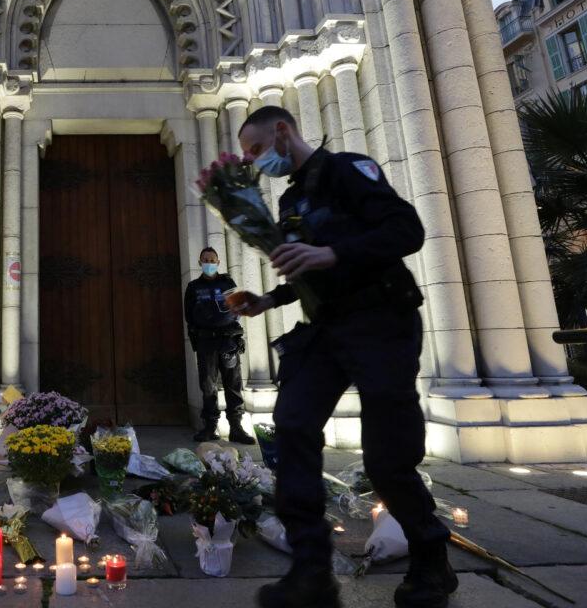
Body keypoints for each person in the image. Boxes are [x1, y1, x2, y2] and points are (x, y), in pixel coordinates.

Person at [229, 106, 455, 608]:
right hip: (326, 329)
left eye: (255, 149)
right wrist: (268, 300)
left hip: (381, 323)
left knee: (387, 457)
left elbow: (406, 231)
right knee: (290, 425)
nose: (251, 161)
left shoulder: (349, 170)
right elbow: (307, 271)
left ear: (283, 132)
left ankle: (431, 558)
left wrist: (333, 253)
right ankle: (311, 570)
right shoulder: (291, 199)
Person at [183, 246, 255, 445]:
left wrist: (238, 335)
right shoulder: (193, 287)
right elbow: (189, 316)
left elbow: (238, 309)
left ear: (218, 262)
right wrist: (196, 339)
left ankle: (236, 428)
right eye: (205, 259)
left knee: (233, 384)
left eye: (212, 259)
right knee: (208, 385)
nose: (209, 263)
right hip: (206, 342)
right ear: (200, 263)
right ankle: (210, 427)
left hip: (227, 341)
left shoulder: (227, 283)